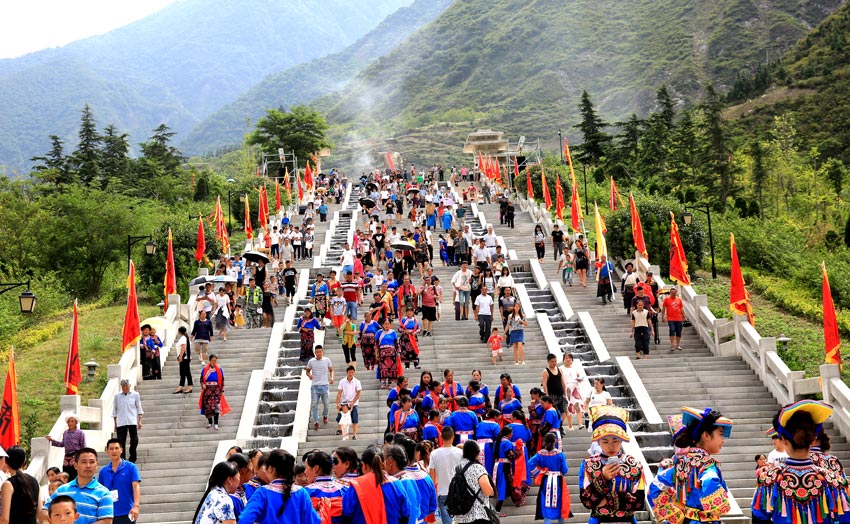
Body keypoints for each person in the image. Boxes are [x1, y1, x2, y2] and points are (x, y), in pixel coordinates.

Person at [649, 406, 733, 524]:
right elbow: (709, 481)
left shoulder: (680, 464)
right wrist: (718, 507)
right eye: (720, 434)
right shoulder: (707, 464)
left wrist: (674, 514)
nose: (723, 440)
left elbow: (655, 485)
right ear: (706, 435)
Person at [579, 405, 644, 524]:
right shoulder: (588, 465)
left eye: (615, 441)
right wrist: (603, 478)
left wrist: (605, 498)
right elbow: (586, 501)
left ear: (621, 441)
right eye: (605, 441)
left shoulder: (634, 465)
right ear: (598, 441)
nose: (611, 446)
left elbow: (639, 503)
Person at [238, 449, 319, 524]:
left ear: (270, 469)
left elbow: (244, 520)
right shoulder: (302, 493)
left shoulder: (262, 492)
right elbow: (313, 520)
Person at [40, 448, 114, 524]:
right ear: (75, 465)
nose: (88, 466)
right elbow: (43, 513)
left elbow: (106, 521)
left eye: (92, 462)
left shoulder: (104, 493)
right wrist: (59, 516)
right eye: (84, 462)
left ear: (96, 465)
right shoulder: (61, 490)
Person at [341, 446, 412, 524]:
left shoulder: (356, 486)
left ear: (363, 465)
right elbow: (405, 514)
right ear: (384, 463)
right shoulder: (396, 484)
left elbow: (346, 514)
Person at [528, 433, 571, 524]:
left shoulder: (540, 454)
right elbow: (565, 470)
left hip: (546, 479)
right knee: (560, 501)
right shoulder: (560, 454)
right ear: (555, 441)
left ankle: (547, 522)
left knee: (546, 501)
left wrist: (539, 472)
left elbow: (529, 463)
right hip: (558, 480)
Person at [97, 439, 141, 524]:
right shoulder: (103, 471)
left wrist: (136, 506)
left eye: (117, 448)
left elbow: (136, 487)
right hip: (109, 513)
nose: (114, 451)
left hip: (127, 512)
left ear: (121, 450)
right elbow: (100, 492)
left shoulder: (131, 467)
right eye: (111, 448)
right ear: (107, 451)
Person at [453, 440, 496, 524]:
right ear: (477, 453)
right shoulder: (477, 468)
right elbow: (487, 491)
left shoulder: (457, 468)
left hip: (461, 515)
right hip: (478, 515)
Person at [430, 426, 463, 524]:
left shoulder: (434, 454)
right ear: (453, 437)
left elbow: (432, 475)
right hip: (458, 491)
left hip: (443, 492)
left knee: (447, 521)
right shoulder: (460, 452)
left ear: (441, 437)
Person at [303, 451, 346, 524]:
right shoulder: (345, 490)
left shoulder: (305, 492)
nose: (305, 472)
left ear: (316, 468)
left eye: (306, 468)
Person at [1, 445, 39, 524]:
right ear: (24, 460)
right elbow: (39, 513)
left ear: (6, 461)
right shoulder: (34, 481)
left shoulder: (8, 484)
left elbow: (5, 519)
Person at [45, 414, 86, 481]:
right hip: (66, 457)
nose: (70, 423)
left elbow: (83, 446)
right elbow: (62, 444)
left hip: (76, 456)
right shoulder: (65, 433)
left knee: (75, 474)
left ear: (76, 422)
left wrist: (82, 458)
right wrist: (52, 441)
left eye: (72, 421)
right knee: (66, 474)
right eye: (69, 421)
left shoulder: (80, 433)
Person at [112, 379, 143, 463]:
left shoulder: (135, 395)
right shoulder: (117, 396)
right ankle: (122, 459)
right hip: (121, 421)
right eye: (123, 386)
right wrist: (115, 423)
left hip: (132, 420)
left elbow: (139, 408)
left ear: (129, 386)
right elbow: (115, 410)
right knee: (121, 441)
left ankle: (133, 456)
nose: (125, 388)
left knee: (134, 439)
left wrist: (139, 421)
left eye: (126, 386)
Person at [306, 345, 334, 432]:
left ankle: (325, 415)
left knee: (326, 403)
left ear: (322, 352)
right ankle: (316, 421)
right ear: (315, 353)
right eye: (317, 352)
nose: (318, 353)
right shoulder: (311, 361)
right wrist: (310, 375)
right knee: (314, 405)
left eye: (320, 352)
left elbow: (331, 370)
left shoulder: (327, 360)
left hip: (324, 386)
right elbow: (307, 371)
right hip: (315, 387)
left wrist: (332, 377)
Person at [200, 355, 230, 431]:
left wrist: (221, 390)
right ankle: (210, 423)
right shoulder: (205, 370)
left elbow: (222, 380)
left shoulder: (219, 370)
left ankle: (216, 423)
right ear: (209, 361)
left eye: (215, 361)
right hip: (208, 391)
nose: (214, 362)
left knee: (216, 407)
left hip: (216, 391)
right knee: (208, 407)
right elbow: (202, 379)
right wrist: (203, 384)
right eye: (212, 361)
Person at [560, 353, 588, 431]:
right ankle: (570, 425)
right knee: (569, 406)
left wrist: (579, 379)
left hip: (575, 388)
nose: (568, 359)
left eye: (569, 358)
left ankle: (580, 424)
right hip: (566, 389)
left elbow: (580, 376)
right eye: (566, 358)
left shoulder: (575, 368)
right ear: (564, 359)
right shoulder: (561, 369)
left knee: (577, 404)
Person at [376, 318, 401, 389]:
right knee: (383, 368)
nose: (386, 325)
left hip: (392, 353)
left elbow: (396, 343)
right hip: (382, 353)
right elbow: (376, 344)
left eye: (388, 324)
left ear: (390, 325)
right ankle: (383, 382)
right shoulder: (379, 332)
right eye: (385, 324)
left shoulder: (393, 332)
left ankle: (390, 383)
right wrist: (376, 353)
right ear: (382, 325)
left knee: (392, 368)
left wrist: (398, 352)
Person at [541, 354, 566, 419]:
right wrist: (547, 395)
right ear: (548, 361)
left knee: (564, 410)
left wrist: (565, 393)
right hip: (552, 395)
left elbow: (563, 382)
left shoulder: (559, 370)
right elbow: (544, 384)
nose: (554, 363)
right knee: (554, 411)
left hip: (561, 394)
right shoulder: (546, 371)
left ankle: (560, 425)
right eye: (552, 361)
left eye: (555, 361)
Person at [661, 287, 686, 351]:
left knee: (678, 332)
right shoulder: (666, 299)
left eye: (675, 293)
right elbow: (663, 308)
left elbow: (681, 308)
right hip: (670, 318)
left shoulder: (679, 300)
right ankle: (672, 345)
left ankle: (678, 345)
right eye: (672, 293)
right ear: (670, 293)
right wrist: (663, 317)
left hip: (678, 318)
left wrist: (684, 316)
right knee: (672, 330)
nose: (674, 294)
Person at [174, 326, 194, 394]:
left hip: (184, 358)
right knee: (183, 372)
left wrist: (180, 356)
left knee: (186, 372)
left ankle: (189, 386)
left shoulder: (183, 338)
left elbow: (183, 347)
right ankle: (181, 386)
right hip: (186, 357)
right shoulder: (186, 338)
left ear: (179, 332)